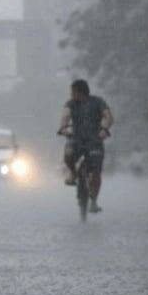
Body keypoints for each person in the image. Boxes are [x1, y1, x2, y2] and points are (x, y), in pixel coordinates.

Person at [58, 79, 113, 213]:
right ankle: (73, 172)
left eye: (73, 92)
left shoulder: (98, 102)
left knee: (95, 173)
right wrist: (64, 127)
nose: (71, 95)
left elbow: (108, 117)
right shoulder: (71, 104)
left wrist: (104, 129)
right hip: (76, 139)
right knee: (68, 153)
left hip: (94, 141)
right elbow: (65, 115)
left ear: (79, 92)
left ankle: (93, 201)